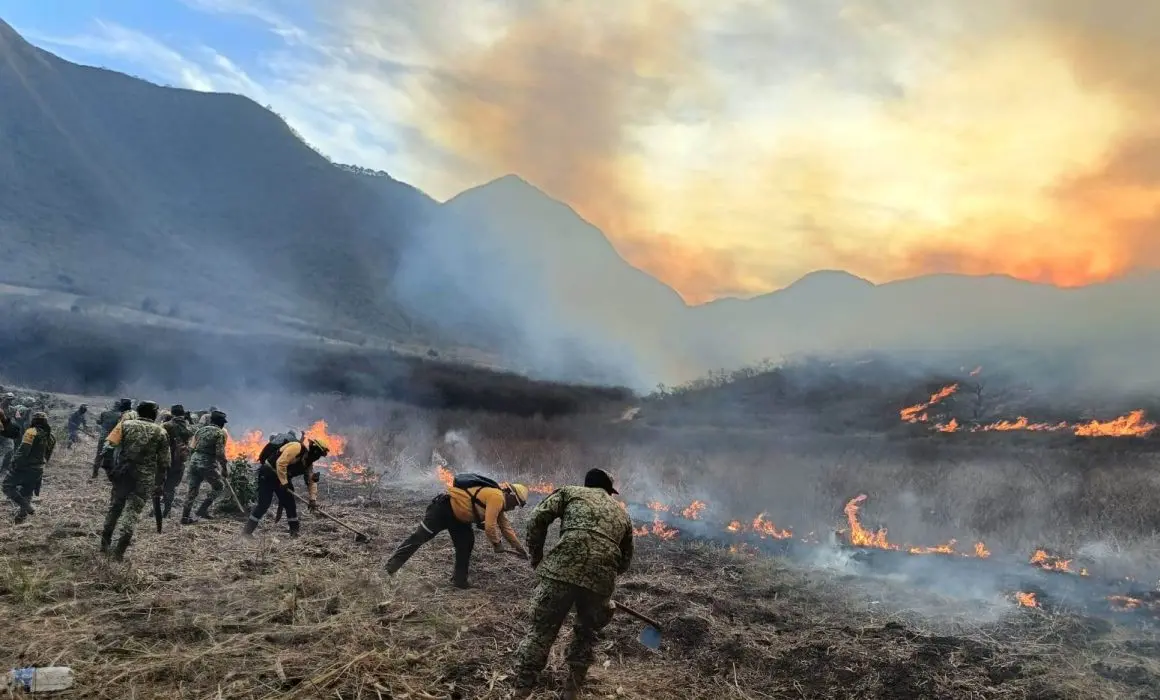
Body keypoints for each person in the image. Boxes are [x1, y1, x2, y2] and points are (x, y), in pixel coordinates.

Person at [513, 469, 634, 698]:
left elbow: (536, 519)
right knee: (586, 634)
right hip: (600, 582)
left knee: (541, 631)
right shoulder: (623, 515)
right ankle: (571, 689)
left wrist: (537, 558)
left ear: (587, 485)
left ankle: (522, 687)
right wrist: (600, 579)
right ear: (609, 491)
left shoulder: (569, 493)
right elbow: (625, 561)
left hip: (561, 572)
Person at [384, 476, 531, 589]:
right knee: (419, 537)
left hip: (459, 519)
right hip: (442, 510)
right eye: (517, 503)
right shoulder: (497, 497)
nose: (515, 507)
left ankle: (460, 580)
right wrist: (496, 544)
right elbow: (490, 526)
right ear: (510, 495)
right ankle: (390, 568)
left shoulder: (499, 504)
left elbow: (506, 529)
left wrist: (519, 549)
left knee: (466, 544)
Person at [98, 401, 169, 560]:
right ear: (154, 413)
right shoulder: (161, 432)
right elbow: (164, 463)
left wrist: (109, 469)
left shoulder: (125, 425)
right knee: (132, 512)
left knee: (115, 507)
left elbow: (108, 447)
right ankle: (119, 553)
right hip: (144, 478)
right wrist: (159, 484)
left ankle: (104, 544)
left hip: (123, 473)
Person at [243, 435, 329, 538]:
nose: (317, 457)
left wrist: (312, 500)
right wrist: (284, 482)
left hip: (281, 479)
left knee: (290, 504)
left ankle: (294, 533)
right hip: (268, 473)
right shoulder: (297, 447)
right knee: (264, 504)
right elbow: (281, 463)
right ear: (313, 449)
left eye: (319, 455)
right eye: (317, 453)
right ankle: (246, 533)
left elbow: (311, 481)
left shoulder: (308, 464)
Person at [2, 412, 55, 524]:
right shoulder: (51, 436)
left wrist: (14, 462)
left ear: (34, 420)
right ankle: (21, 517)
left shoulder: (31, 432)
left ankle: (27, 507)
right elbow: (48, 455)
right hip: (38, 469)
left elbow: (23, 450)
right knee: (27, 491)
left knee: (7, 486)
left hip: (25, 467)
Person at [181, 409, 229, 524]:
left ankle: (185, 516)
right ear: (220, 422)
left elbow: (192, 447)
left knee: (192, 490)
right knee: (219, 487)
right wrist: (224, 469)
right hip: (206, 463)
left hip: (194, 461)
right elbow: (220, 454)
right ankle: (202, 510)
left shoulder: (200, 430)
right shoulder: (219, 433)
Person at [160, 405, 194, 518]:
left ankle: (157, 508)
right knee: (170, 486)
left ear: (172, 413)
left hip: (164, 457)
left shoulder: (167, 425)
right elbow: (194, 432)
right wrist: (189, 420)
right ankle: (167, 510)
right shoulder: (188, 427)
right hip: (179, 459)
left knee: (159, 483)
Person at [92, 398, 133, 479]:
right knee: (111, 457)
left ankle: (95, 472)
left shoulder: (104, 413)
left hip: (103, 437)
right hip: (113, 438)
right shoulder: (120, 415)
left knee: (99, 455)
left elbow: (99, 422)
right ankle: (110, 476)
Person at [0, 392, 15, 474]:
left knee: (10, 449)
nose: (9, 401)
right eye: (8, 399)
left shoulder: (11, 409)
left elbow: (17, 418)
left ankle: (4, 469)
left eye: (11, 400)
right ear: (4, 398)